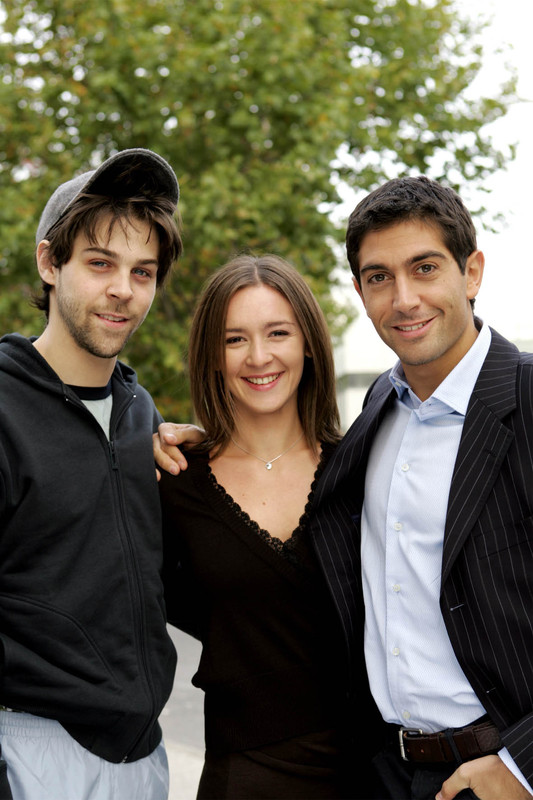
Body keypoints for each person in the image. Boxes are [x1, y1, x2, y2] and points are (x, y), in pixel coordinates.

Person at [310, 176, 533, 799]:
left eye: (425, 268)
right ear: (360, 292)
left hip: (500, 776)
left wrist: (522, 766)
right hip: (388, 771)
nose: (404, 299)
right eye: (379, 277)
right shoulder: (379, 405)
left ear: (471, 272)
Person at [158, 254, 381, 799]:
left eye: (277, 333)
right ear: (212, 356)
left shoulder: (364, 469)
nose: (258, 357)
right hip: (244, 773)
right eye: (234, 339)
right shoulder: (173, 481)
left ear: (308, 343)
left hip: (372, 772)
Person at [0, 148, 183, 800]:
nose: (123, 290)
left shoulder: (140, 413)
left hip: (142, 757)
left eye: (143, 271)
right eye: (100, 263)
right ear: (50, 263)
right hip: (29, 751)